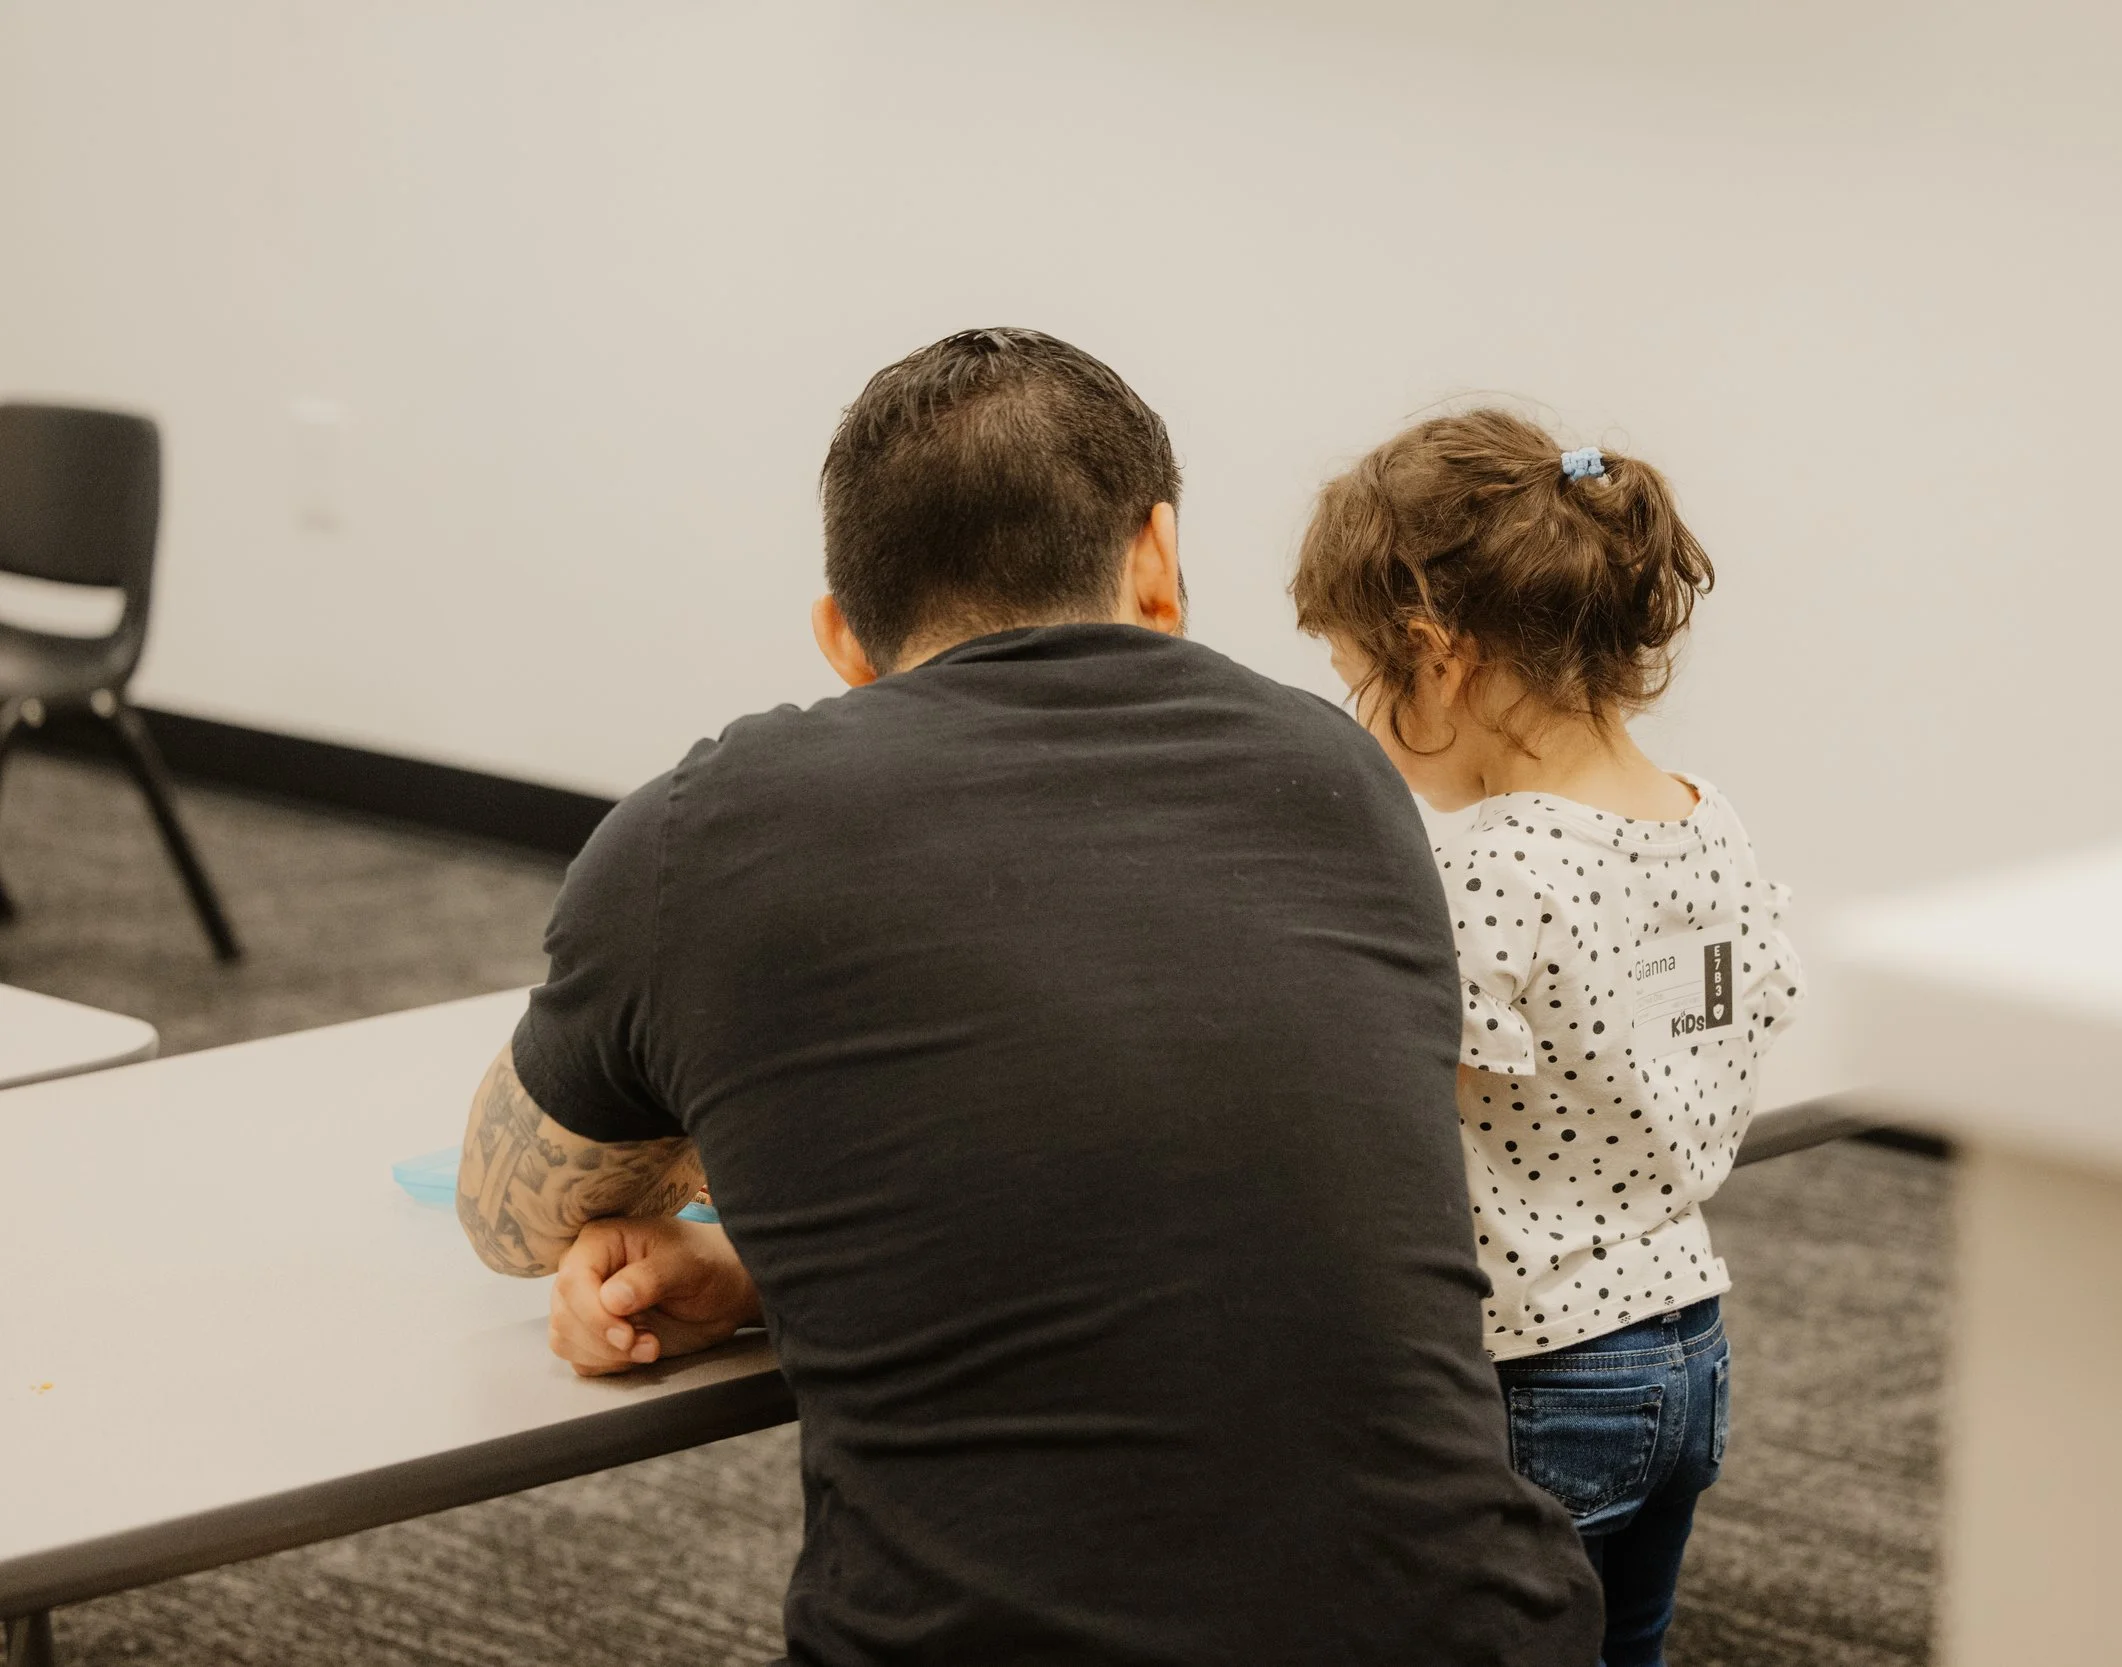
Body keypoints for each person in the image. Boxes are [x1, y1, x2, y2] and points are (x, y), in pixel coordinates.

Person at [452, 330, 1600, 1667]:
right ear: (1158, 560)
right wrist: (774, 1270)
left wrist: (754, 1161)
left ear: (843, 639)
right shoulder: (1336, 770)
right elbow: (1189, 1165)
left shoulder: (709, 830)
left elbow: (508, 1217)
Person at [1290, 409, 1804, 1665]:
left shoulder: (1497, 864)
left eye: (1362, 678)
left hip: (1540, 1365)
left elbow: (1398, 1092)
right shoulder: (1707, 823)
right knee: (1623, 1641)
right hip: (1686, 1344)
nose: (1360, 717)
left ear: (1436, 656)